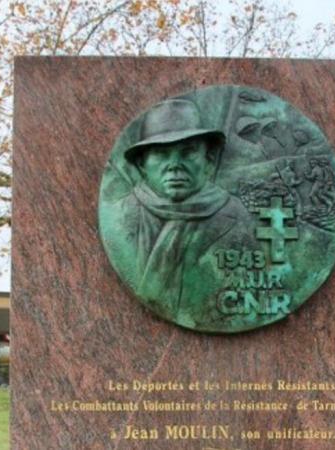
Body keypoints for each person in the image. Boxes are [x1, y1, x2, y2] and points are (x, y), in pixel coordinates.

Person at [108, 98, 253, 323]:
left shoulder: (241, 218)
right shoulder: (118, 218)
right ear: (141, 166)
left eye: (187, 152)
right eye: (161, 154)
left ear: (209, 161)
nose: (174, 164)